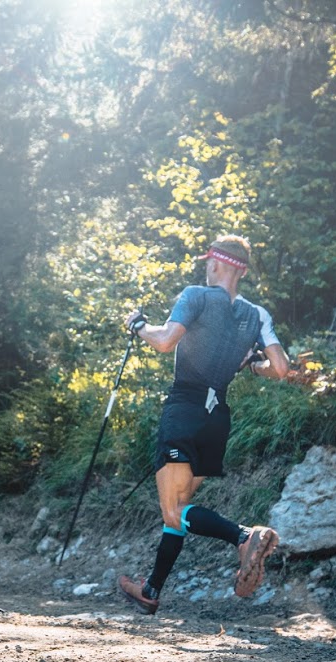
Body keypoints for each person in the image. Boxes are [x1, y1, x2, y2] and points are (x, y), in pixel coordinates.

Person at [118, 234, 292, 615]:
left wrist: (138, 325)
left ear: (215, 264)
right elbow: (279, 368)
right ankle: (151, 589)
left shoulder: (195, 295)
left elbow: (165, 341)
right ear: (240, 270)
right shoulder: (256, 314)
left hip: (186, 406)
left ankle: (244, 536)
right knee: (178, 508)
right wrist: (250, 362)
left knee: (172, 510)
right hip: (217, 417)